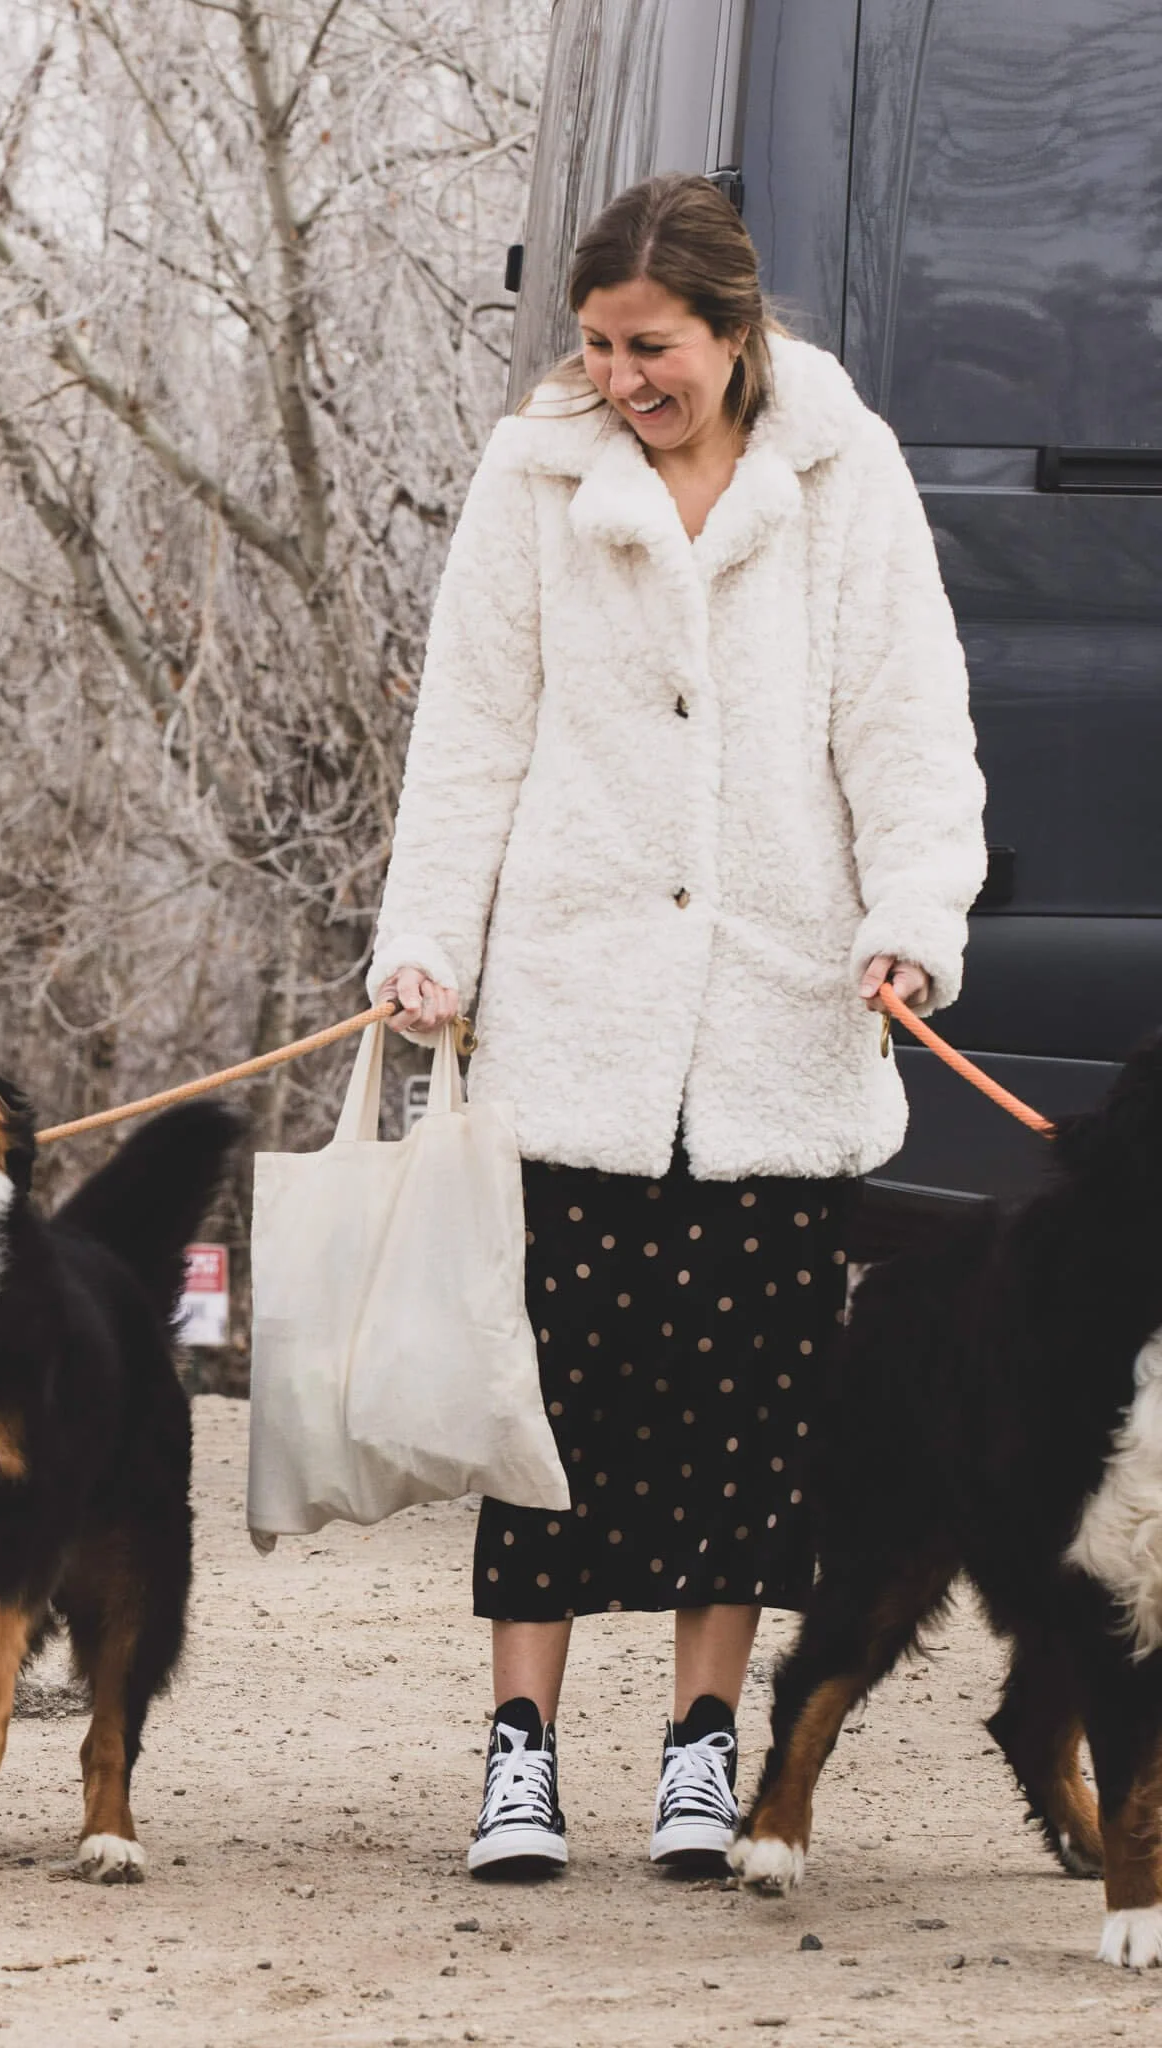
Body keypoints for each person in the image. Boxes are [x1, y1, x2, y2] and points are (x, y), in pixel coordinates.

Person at [366, 174, 985, 1879]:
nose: (623, 379)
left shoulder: (849, 478)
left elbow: (910, 726)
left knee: (750, 1419)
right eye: (597, 348)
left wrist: (910, 926)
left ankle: (702, 1752)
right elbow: (474, 731)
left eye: (655, 349)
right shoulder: (532, 479)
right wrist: (430, 938)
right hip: (575, 1014)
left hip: (786, 1017)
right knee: (548, 1407)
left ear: (736, 331)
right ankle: (520, 1754)